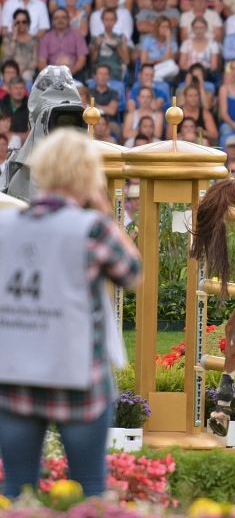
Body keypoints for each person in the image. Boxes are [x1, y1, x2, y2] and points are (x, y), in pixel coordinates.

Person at [0, 129, 141, 499]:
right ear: (87, 177)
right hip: (77, 376)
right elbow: (132, 272)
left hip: (14, 374)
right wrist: (106, 210)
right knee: (91, 488)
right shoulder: (91, 228)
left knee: (15, 488)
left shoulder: (3, 226)